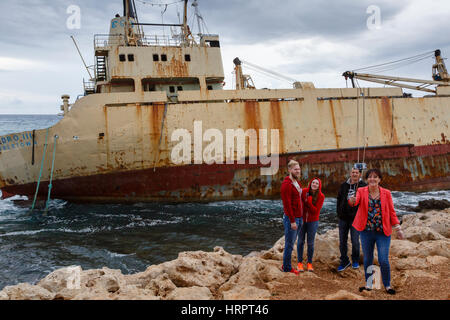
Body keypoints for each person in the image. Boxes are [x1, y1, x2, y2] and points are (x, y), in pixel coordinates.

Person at [349, 168, 404, 295]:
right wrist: (351, 200)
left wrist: (398, 228)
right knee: (368, 258)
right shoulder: (361, 190)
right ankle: (369, 284)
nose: (372, 179)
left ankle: (387, 284)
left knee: (383, 259)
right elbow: (354, 201)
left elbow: (391, 211)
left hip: (382, 232)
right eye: (370, 177)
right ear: (367, 179)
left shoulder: (386, 193)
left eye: (375, 177)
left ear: (380, 179)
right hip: (366, 231)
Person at [336, 166, 367, 272]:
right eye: (353, 172)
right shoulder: (344, 185)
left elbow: (366, 202)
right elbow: (339, 199)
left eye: (356, 173)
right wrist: (339, 213)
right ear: (350, 173)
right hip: (343, 218)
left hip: (356, 219)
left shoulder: (363, 186)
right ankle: (344, 261)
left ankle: (355, 260)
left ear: (360, 174)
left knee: (355, 241)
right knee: (342, 241)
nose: (354, 174)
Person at [280, 159, 304, 275]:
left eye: (299, 169)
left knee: (292, 242)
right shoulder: (286, 184)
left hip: (299, 217)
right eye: (295, 169)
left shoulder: (296, 182)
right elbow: (287, 204)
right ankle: (287, 268)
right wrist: (293, 221)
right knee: (289, 244)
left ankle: (286, 264)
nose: (298, 171)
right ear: (289, 170)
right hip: (292, 219)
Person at [297, 178, 325, 272]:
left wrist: (308, 202)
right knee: (300, 241)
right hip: (302, 220)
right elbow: (299, 204)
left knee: (310, 243)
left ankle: (309, 263)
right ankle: (299, 263)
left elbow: (315, 211)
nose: (314, 184)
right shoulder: (304, 191)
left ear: (319, 186)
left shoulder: (321, 196)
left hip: (313, 221)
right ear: (310, 183)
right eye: (313, 182)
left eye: (317, 183)